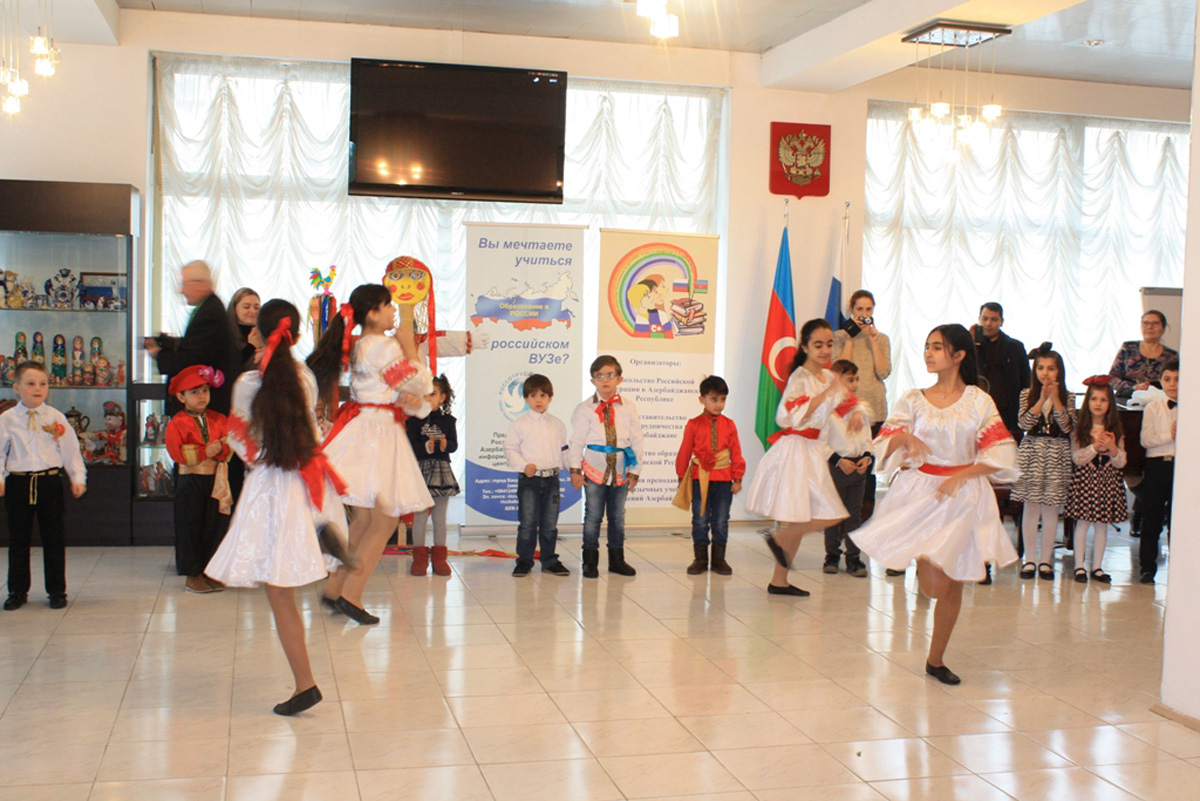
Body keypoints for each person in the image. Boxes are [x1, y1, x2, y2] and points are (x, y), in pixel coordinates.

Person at [206, 300, 355, 716]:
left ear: (255, 333)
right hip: (308, 479)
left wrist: (261, 460)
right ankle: (327, 544)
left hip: (272, 485)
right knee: (281, 584)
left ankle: (306, 683)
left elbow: (241, 442)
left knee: (279, 589)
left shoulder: (249, 383)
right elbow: (311, 428)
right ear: (296, 333)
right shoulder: (304, 376)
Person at [853, 324, 1019, 685]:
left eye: (937, 347)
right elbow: (882, 441)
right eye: (927, 346)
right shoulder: (913, 398)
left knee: (956, 581)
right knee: (933, 584)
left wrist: (964, 474)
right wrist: (905, 437)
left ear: (958, 355)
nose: (928, 353)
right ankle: (920, 555)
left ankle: (935, 659)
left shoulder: (979, 400)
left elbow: (1001, 450)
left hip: (963, 496)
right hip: (921, 492)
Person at [310, 284, 432, 623]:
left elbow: (405, 395)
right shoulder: (382, 346)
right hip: (377, 434)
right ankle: (352, 594)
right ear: (373, 313)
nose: (394, 312)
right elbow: (419, 384)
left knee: (364, 519)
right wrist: (410, 349)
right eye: (388, 306)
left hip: (369, 426)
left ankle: (336, 590)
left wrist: (412, 400)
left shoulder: (363, 343)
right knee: (385, 518)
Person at [745, 319, 848, 597]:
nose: (825, 350)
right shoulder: (800, 377)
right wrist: (827, 393)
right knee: (829, 515)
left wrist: (852, 423)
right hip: (797, 451)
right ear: (804, 347)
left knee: (801, 519)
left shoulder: (827, 377)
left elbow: (832, 417)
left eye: (829, 344)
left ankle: (779, 580)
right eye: (818, 345)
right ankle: (779, 538)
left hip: (813, 450)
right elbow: (786, 415)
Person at [1, 361, 87, 610]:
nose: (37, 388)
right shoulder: (7, 419)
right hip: (18, 482)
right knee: (18, 538)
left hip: (49, 482)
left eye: (43, 384)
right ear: (17, 387)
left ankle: (57, 590)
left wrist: (77, 478)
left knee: (54, 537)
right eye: (30, 384)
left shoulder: (55, 417)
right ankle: (17, 590)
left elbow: (71, 451)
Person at [568, 355, 643, 578]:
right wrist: (575, 470)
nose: (605, 380)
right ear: (593, 381)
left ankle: (616, 560)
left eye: (610, 375)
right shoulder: (585, 408)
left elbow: (637, 439)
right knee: (592, 516)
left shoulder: (628, 407)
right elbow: (577, 442)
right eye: (600, 376)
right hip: (594, 468)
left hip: (620, 470)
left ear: (619, 378)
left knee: (617, 516)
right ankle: (590, 561)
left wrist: (635, 470)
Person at [163, 364, 232, 594]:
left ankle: (209, 571)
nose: (202, 396)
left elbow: (230, 445)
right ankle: (192, 574)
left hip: (215, 479)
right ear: (181, 397)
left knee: (213, 525)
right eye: (194, 392)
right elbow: (177, 453)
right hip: (190, 480)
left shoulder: (219, 419)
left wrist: (220, 450)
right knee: (189, 525)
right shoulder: (177, 423)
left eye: (205, 390)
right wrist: (206, 452)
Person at [1011, 343, 1074, 581]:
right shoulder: (1027, 394)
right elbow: (1024, 424)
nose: (1045, 373)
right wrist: (1041, 400)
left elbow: (1068, 426)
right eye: (1040, 368)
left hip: (1057, 452)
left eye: (1051, 368)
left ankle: (1046, 561)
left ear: (1060, 371)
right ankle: (1029, 560)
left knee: (1050, 508)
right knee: (1031, 507)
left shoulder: (1067, 396)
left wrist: (1056, 399)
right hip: (1032, 452)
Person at [144, 260, 241, 415]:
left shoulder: (210, 313)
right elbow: (197, 346)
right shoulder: (208, 307)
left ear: (200, 283)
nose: (181, 290)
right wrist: (172, 343)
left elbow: (192, 360)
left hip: (207, 406)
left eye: (185, 284)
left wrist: (158, 353)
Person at [674, 375, 745, 576]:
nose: (719, 404)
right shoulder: (694, 424)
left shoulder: (729, 425)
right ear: (702, 399)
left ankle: (719, 559)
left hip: (724, 480)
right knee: (700, 518)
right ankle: (700, 558)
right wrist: (681, 477)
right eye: (714, 399)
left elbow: (736, 452)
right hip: (699, 479)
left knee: (721, 519)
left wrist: (737, 478)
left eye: (722, 399)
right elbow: (685, 451)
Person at [504, 373, 571, 577]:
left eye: (543, 395)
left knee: (550, 524)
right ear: (526, 399)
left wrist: (575, 471)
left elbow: (565, 451)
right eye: (533, 396)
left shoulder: (557, 424)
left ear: (550, 397)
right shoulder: (520, 424)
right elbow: (510, 449)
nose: (538, 400)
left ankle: (549, 560)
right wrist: (524, 465)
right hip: (529, 481)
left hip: (552, 480)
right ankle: (524, 560)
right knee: (528, 523)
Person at [1063, 376, 1127, 585]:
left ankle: (1097, 566)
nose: (1098, 404)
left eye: (1103, 400)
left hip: (1107, 483)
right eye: (1094, 399)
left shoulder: (1116, 431)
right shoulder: (1080, 429)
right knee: (1082, 524)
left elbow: (1121, 462)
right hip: (1085, 482)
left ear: (1110, 405)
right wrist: (1094, 447)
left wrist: (1112, 447)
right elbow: (1077, 458)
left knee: (1101, 525)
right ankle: (1079, 565)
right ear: (1087, 402)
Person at [832, 290, 891, 518]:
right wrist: (850, 338)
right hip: (845, 411)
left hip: (874, 409)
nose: (864, 314)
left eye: (868, 310)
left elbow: (883, 371)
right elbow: (838, 370)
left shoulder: (881, 338)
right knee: (844, 462)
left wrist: (873, 341)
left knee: (867, 465)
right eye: (860, 310)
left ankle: (863, 518)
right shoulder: (839, 336)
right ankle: (839, 519)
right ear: (852, 310)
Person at [821, 359, 873, 578]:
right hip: (837, 467)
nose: (855, 384)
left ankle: (853, 557)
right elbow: (820, 442)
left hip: (857, 468)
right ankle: (832, 554)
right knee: (833, 514)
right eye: (850, 379)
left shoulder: (860, 409)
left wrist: (867, 458)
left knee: (854, 514)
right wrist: (838, 460)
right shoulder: (826, 410)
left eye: (857, 379)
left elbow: (868, 439)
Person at [406, 374, 460, 577]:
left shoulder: (448, 421)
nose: (427, 397)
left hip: (441, 471)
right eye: (424, 393)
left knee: (439, 517)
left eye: (432, 393)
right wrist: (426, 448)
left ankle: (439, 558)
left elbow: (454, 445)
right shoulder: (413, 421)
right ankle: (419, 558)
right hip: (420, 469)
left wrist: (446, 445)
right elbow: (411, 447)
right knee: (419, 516)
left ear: (442, 397)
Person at [1137, 360, 1178, 584]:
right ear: (1161, 382)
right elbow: (1146, 441)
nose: (1173, 385)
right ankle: (1147, 568)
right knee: (1151, 518)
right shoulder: (1153, 407)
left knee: (1178, 520)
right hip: (1157, 466)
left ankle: (1178, 568)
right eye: (1167, 379)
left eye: (1178, 379)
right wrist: (1170, 436)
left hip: (1181, 468)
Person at [972, 302, 1029, 442]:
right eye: (984, 319)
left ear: (1001, 322)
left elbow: (1026, 382)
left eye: (994, 319)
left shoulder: (1015, 347)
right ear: (979, 319)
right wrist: (969, 343)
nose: (988, 323)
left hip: (1008, 415)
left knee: (1009, 458)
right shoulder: (971, 348)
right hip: (978, 414)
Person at [1109, 310, 1178, 397]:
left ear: (1163, 328)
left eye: (1155, 323)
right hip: (1126, 401)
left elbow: (1177, 383)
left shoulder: (1172, 356)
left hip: (1158, 403)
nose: (1150, 327)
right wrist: (1133, 387)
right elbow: (1111, 379)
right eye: (1145, 323)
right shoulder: (1128, 348)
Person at [228, 287, 261, 366]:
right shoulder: (226, 334)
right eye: (246, 307)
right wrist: (251, 346)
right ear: (234, 309)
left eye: (256, 307)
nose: (253, 311)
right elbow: (229, 366)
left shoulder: (263, 334)